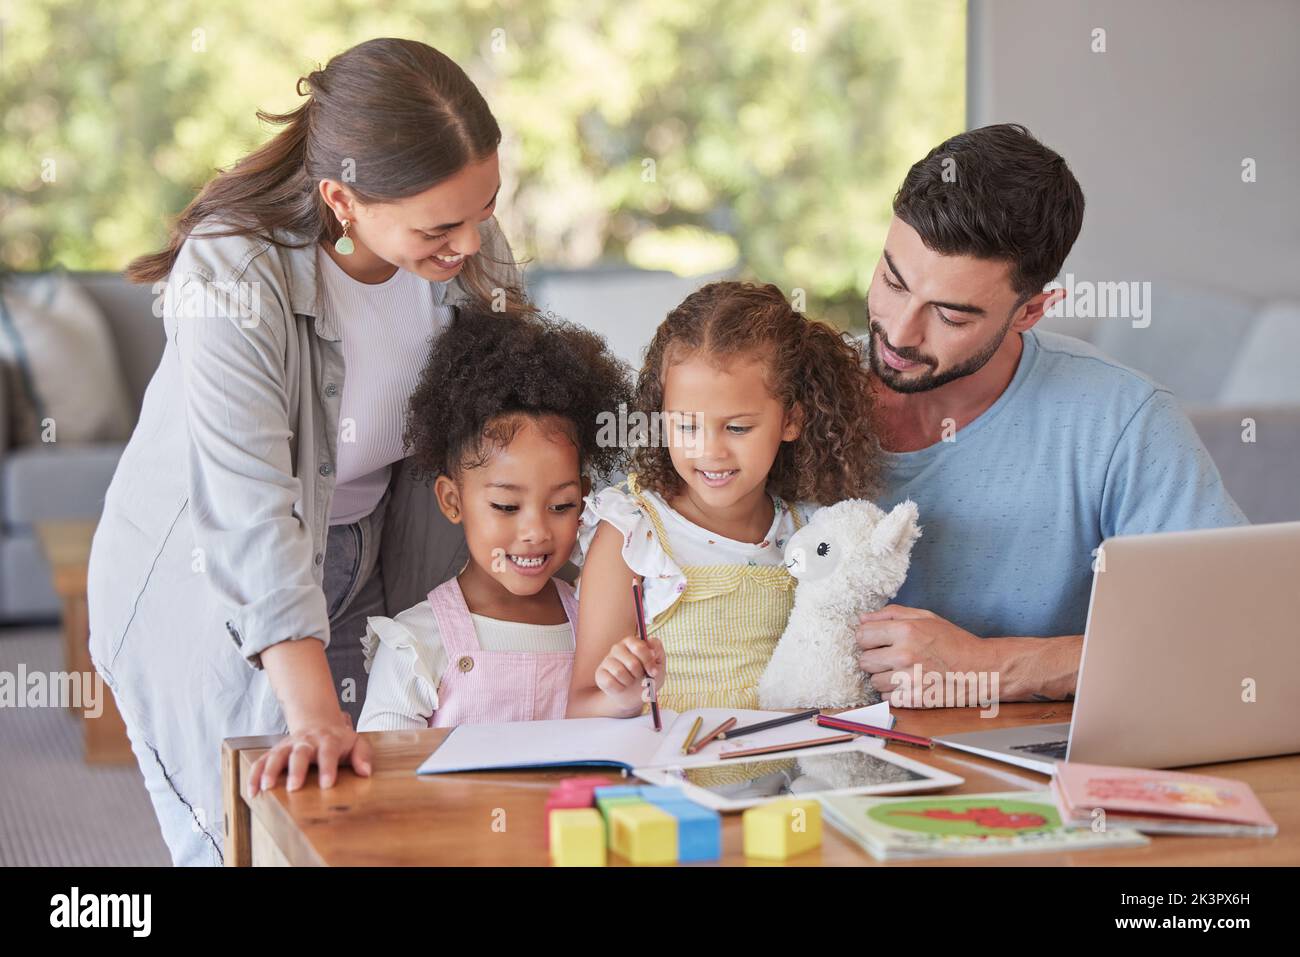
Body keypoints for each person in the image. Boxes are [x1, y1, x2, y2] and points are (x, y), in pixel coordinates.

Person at [88, 38, 526, 865]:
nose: (471, 243)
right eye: (440, 225)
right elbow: (251, 506)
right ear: (343, 199)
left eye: (486, 207)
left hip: (362, 558)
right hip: (208, 580)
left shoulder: (464, 260)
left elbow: (520, 428)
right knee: (240, 836)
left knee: (353, 826)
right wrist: (314, 711)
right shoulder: (233, 273)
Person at [853, 123, 1247, 705]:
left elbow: (1232, 630)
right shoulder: (786, 396)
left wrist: (991, 666)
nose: (899, 331)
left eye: (951, 316)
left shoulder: (1121, 419)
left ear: (1029, 311)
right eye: (892, 280)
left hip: (1028, 768)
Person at [567, 280, 882, 716]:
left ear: (791, 420)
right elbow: (580, 708)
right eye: (687, 426)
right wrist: (622, 697)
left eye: (737, 428)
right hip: (671, 780)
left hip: (791, 779)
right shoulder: (630, 535)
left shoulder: (809, 530)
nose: (710, 451)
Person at [355, 306, 631, 732]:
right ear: (452, 500)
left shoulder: (597, 628)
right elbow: (387, 788)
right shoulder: (417, 645)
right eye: (506, 506)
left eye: (561, 506)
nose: (536, 532)